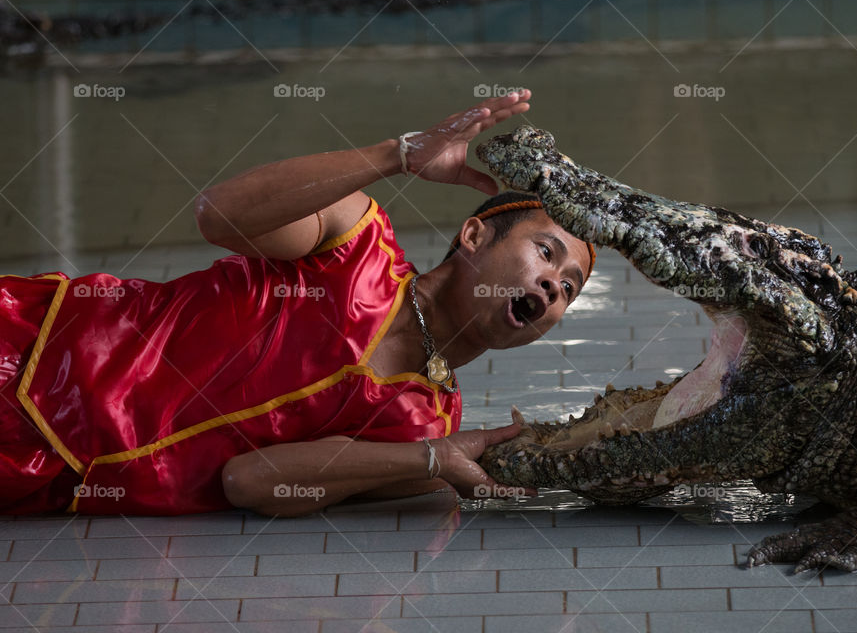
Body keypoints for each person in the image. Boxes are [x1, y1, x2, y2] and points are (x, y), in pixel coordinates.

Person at [0, 89, 595, 516]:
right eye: (546, 252)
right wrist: (399, 155)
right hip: (32, 348)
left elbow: (251, 481)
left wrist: (432, 460)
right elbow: (219, 214)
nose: (552, 287)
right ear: (472, 237)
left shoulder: (424, 424)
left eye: (569, 287)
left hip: (44, 477)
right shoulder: (352, 242)